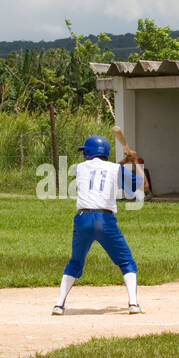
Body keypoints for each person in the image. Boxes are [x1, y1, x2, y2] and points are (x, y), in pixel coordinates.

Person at [54, 135, 147, 315]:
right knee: (126, 261)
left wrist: (124, 161)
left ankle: (59, 305)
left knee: (75, 262)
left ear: (89, 152)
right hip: (105, 221)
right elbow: (144, 186)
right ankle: (133, 304)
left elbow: (102, 171)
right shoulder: (114, 169)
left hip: (82, 220)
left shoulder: (80, 168)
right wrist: (134, 162)